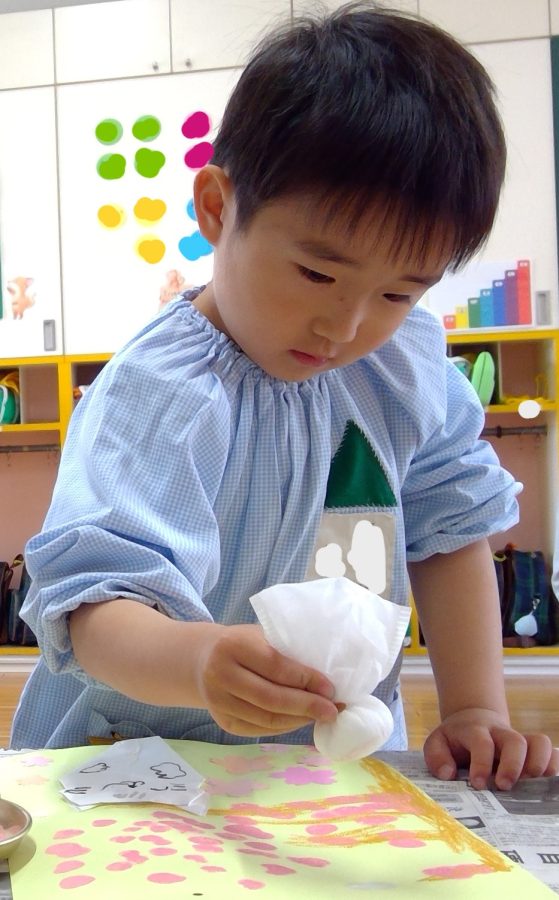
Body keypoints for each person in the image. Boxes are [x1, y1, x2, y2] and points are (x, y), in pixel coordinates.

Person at [11, 2, 558, 791]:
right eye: (316, 273)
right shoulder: (160, 392)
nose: (346, 325)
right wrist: (198, 661)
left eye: (398, 292)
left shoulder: (401, 365)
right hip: (133, 772)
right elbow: (93, 608)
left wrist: (474, 707)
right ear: (216, 208)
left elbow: (448, 534)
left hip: (320, 774)